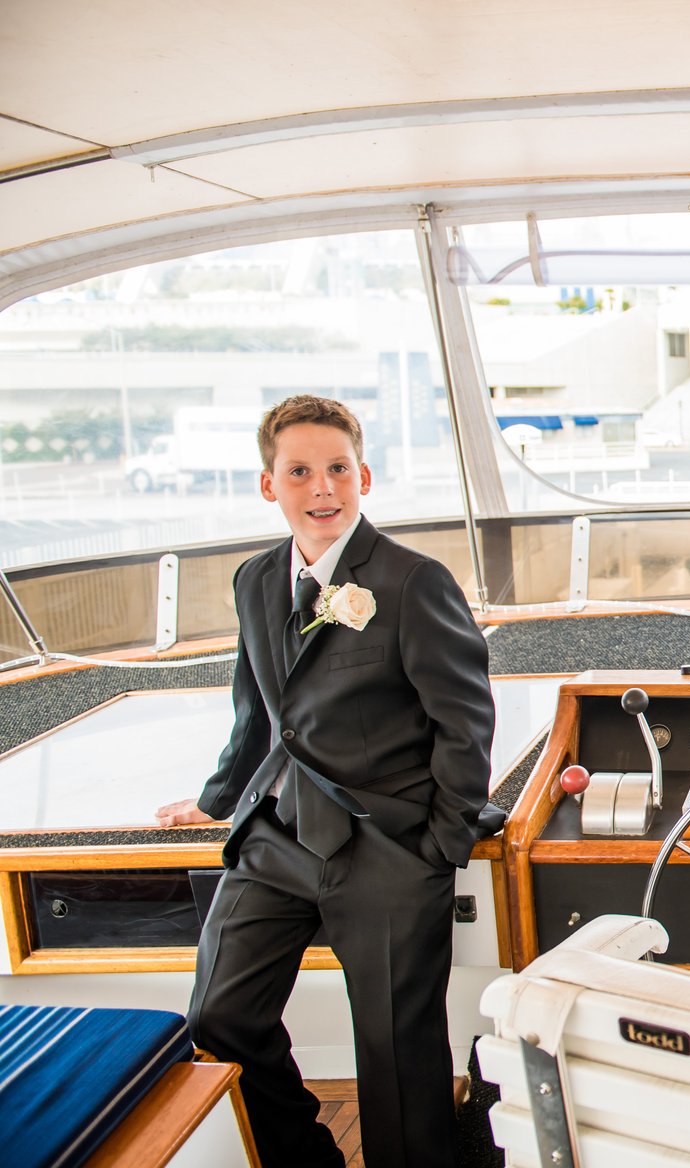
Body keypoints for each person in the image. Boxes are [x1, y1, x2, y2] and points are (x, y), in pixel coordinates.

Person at [157, 395, 493, 1168]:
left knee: (396, 1053)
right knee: (220, 1018)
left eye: (338, 468)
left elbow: (464, 719)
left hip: (387, 845)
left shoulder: (412, 582)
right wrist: (216, 800)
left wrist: (438, 845)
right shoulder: (253, 580)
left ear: (363, 477)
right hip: (276, 838)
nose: (322, 488)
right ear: (268, 485)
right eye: (300, 471)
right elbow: (257, 709)